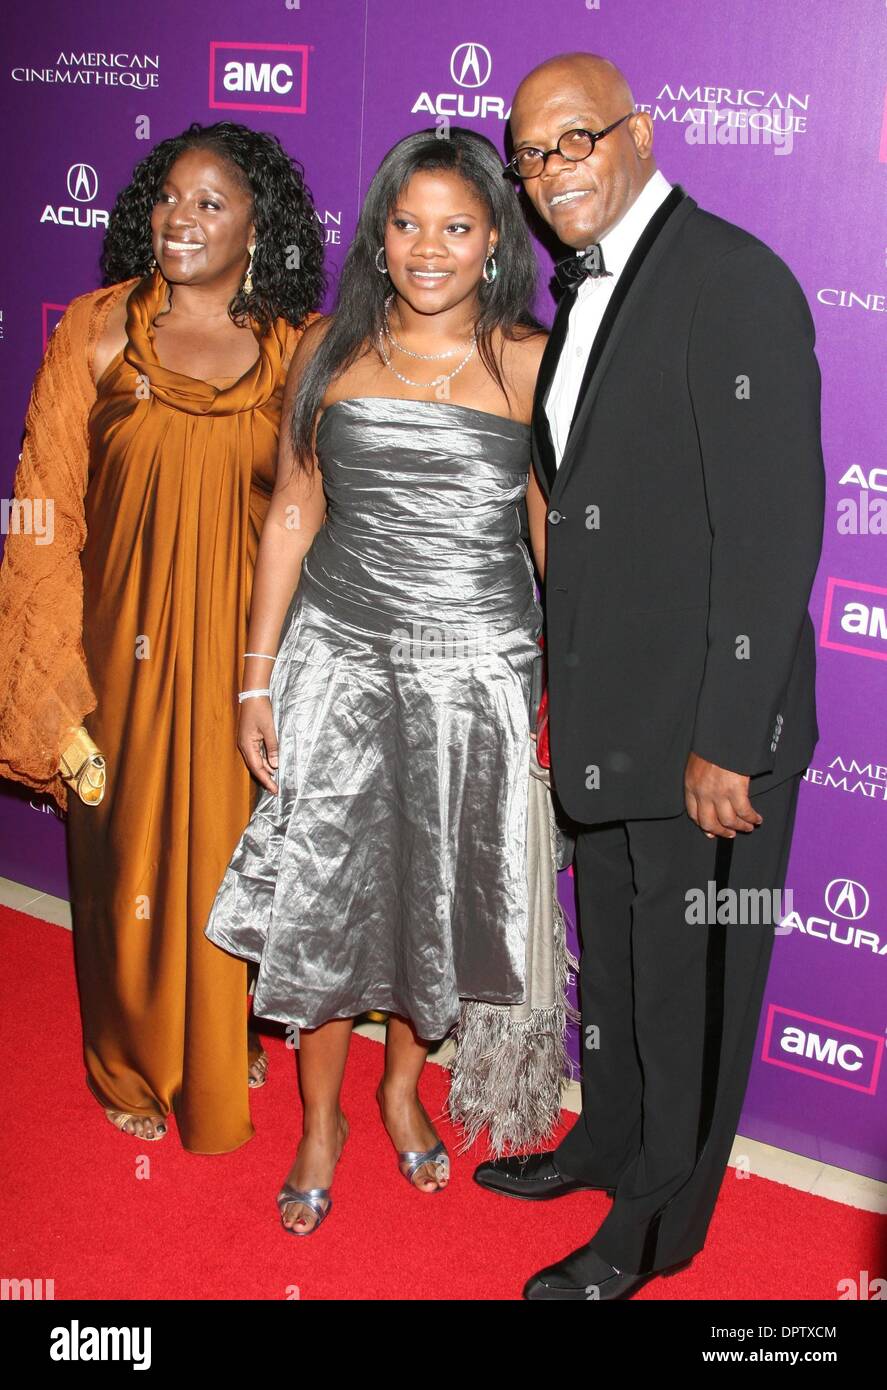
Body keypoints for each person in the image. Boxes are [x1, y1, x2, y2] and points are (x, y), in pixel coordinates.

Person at [473, 53, 825, 1300]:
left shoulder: (729, 280)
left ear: (638, 134)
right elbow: (587, 516)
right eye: (530, 152)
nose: (551, 170)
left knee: (692, 983)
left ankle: (659, 1224)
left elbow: (773, 526)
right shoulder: (588, 294)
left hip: (704, 736)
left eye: (576, 141)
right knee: (617, 962)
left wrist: (729, 735)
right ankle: (611, 1138)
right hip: (615, 716)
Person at [204, 127, 556, 1233]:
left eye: (455, 227)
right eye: (406, 225)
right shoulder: (328, 348)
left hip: (475, 673)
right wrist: (255, 679)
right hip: (339, 661)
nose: (427, 248)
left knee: (430, 901)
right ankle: (320, 1119)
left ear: (494, 238)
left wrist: (570, 682)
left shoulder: (531, 362)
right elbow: (291, 513)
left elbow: (552, 542)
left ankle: (401, 1091)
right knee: (324, 899)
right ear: (377, 235)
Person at [0, 121, 325, 1152]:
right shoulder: (95, 331)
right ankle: (129, 1061)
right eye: (169, 197)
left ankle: (222, 1027)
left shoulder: (295, 346)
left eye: (212, 202)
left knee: (237, 858)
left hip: (245, 662)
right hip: (117, 661)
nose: (181, 218)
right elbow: (41, 510)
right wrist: (55, 684)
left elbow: (321, 514)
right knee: (126, 864)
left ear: (256, 226)